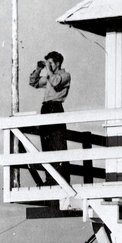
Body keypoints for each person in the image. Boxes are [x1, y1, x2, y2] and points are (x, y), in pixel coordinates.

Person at [29, 51, 71, 181]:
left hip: (56, 107)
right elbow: (33, 83)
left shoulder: (65, 75)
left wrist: (49, 70)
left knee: (57, 143)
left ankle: (62, 178)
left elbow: (55, 82)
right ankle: (50, 178)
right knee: (46, 142)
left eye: (51, 63)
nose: (49, 65)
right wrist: (38, 69)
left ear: (57, 63)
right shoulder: (49, 76)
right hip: (46, 107)